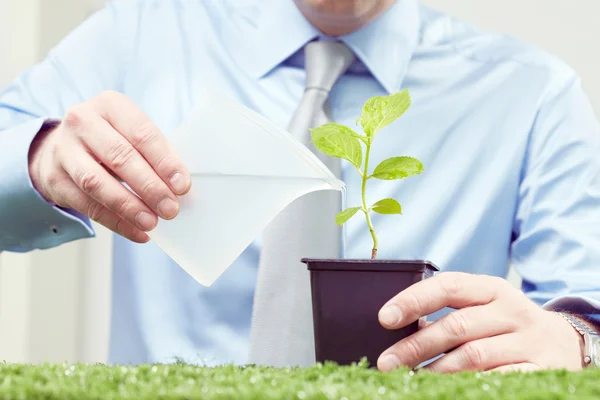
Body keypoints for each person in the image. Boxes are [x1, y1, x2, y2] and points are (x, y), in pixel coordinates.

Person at [1, 0, 599, 372]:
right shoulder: (137, 34)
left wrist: (576, 340)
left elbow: (590, 307)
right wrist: (41, 158)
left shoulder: (533, 93)